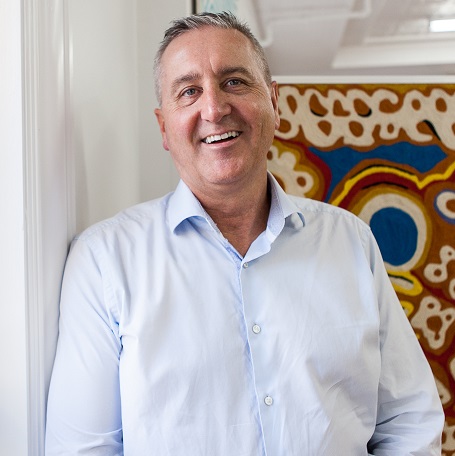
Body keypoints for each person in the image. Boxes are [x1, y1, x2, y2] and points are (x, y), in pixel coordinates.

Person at [45, 11, 444, 455]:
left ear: (273, 102)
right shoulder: (104, 261)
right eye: (189, 91)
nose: (214, 109)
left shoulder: (351, 242)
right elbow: (82, 448)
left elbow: (409, 421)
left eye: (234, 82)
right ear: (163, 127)